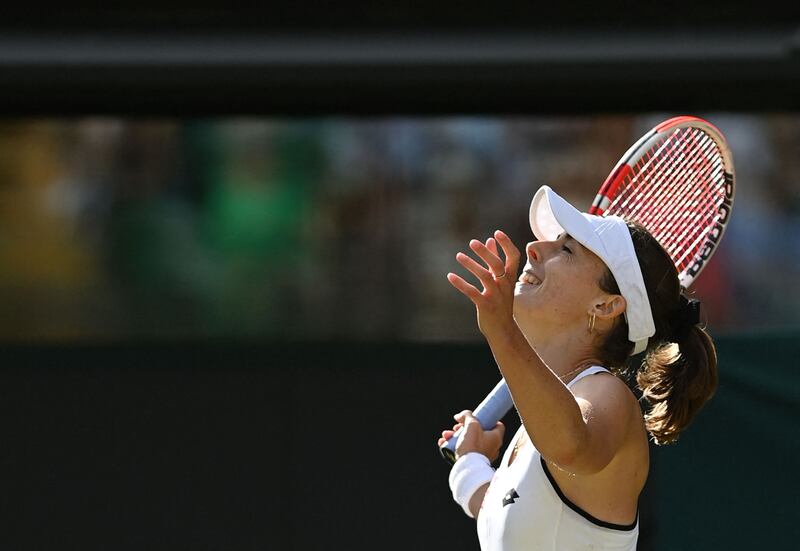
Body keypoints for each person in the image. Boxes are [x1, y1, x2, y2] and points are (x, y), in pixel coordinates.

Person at [437, 185, 718, 550]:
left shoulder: (608, 396)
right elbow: (499, 511)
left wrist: (502, 331)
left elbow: (572, 446)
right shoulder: (532, 434)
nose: (534, 249)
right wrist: (470, 463)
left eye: (565, 249)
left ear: (606, 306)